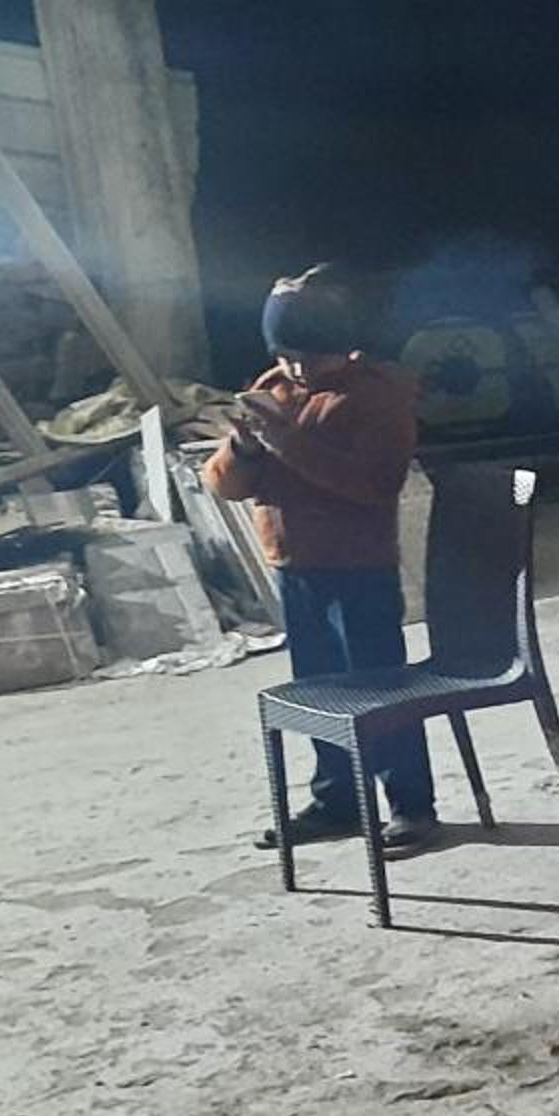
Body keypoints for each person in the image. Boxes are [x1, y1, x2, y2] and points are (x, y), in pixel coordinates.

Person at [206, 265, 439, 851]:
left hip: (360, 570)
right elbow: (225, 486)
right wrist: (243, 446)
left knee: (379, 690)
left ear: (343, 346)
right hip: (295, 570)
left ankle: (411, 806)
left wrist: (286, 443)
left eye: (311, 357)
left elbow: (374, 485)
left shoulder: (377, 397)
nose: (297, 369)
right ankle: (339, 801)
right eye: (286, 356)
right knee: (319, 693)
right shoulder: (275, 389)